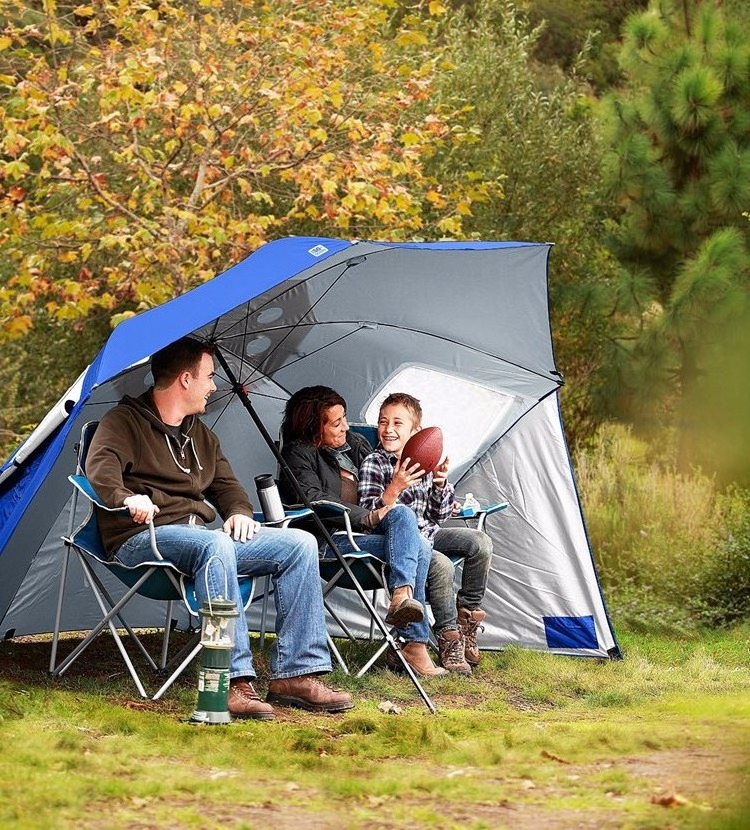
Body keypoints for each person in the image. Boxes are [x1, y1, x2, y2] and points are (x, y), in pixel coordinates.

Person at [85, 337, 353, 719]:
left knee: (299, 543)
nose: (214, 385)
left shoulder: (202, 436)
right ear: (185, 379)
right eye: (209, 377)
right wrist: (127, 497)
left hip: (202, 538)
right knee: (217, 547)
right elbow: (102, 468)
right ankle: (231, 681)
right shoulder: (123, 422)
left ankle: (296, 673)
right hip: (141, 537)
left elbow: (227, 487)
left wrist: (239, 511)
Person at [279, 385, 447, 678]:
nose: (346, 425)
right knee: (416, 545)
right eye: (336, 422)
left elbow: (383, 481)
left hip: (365, 538)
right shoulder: (297, 455)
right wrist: (368, 516)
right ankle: (415, 644)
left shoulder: (353, 444)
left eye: (344, 418)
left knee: (406, 519)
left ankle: (401, 599)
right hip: (330, 543)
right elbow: (316, 500)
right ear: (313, 427)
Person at [358, 392, 493, 674]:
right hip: (401, 542)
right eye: (383, 422)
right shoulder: (375, 462)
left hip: (430, 532)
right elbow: (367, 518)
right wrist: (394, 488)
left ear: (416, 432)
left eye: (398, 423)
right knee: (441, 564)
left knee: (479, 542)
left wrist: (441, 483)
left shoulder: (425, 462)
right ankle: (447, 637)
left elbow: (439, 516)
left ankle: (466, 617)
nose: (388, 429)